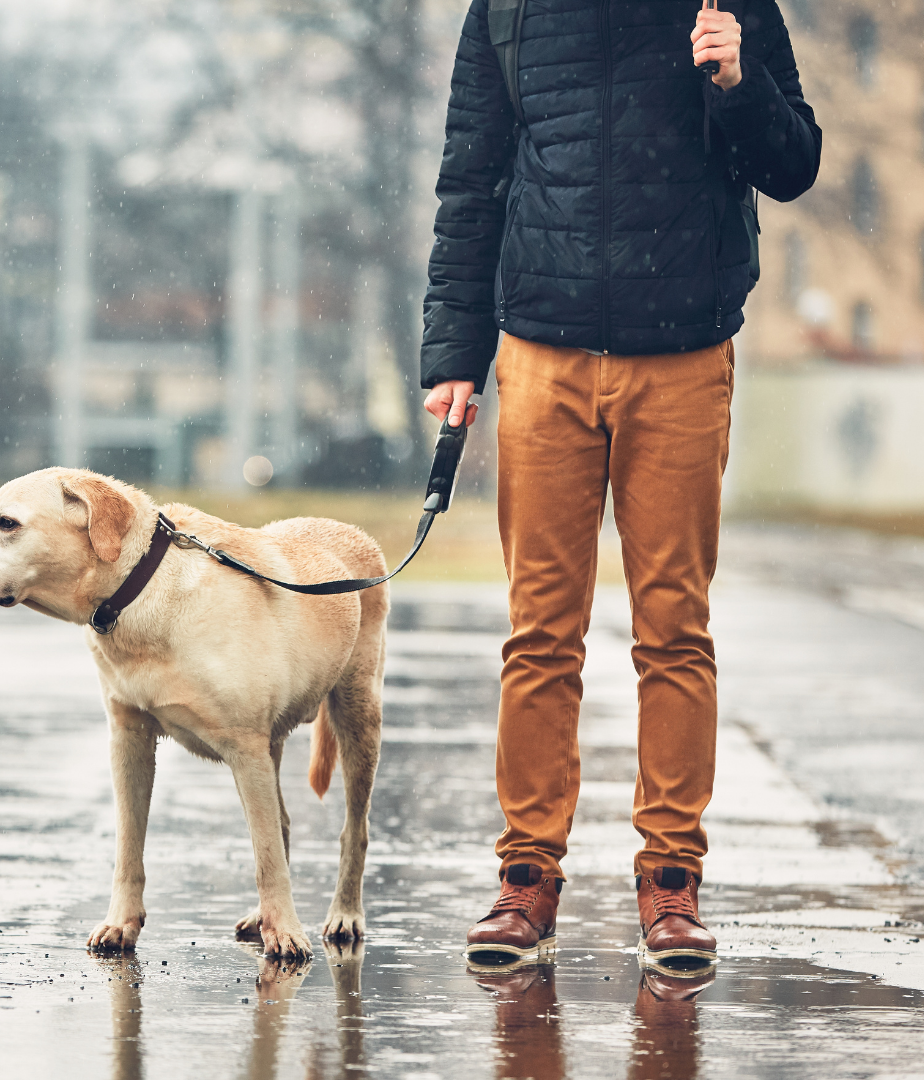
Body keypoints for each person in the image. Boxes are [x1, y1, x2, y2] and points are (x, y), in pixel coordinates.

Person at [421, 0, 820, 963]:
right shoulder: (508, 11)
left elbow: (793, 163)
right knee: (539, 632)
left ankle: (672, 885)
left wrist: (736, 82)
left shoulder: (726, 7)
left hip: (683, 355)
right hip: (543, 354)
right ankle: (526, 882)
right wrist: (454, 353)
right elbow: (473, 181)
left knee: (673, 628)